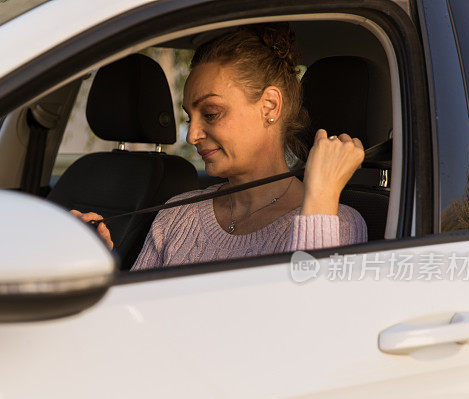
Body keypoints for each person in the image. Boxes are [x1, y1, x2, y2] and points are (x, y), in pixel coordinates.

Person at [73, 23, 367, 269]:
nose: (192, 136)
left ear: (269, 106)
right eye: (190, 116)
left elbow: (308, 326)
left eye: (211, 113)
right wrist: (97, 264)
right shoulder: (176, 216)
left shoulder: (336, 222)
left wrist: (318, 204)